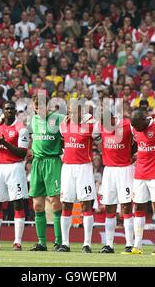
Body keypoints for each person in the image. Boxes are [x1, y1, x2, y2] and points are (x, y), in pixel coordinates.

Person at [0, 101, 29, 251]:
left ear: (15, 111)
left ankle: (17, 242)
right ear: (3, 110)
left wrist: (5, 143)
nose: (8, 111)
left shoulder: (21, 128)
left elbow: (22, 153)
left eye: (11, 109)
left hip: (15, 167)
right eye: (6, 108)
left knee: (17, 203)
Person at [57, 99, 96, 253]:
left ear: (82, 112)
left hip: (84, 168)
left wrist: (91, 118)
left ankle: (87, 244)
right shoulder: (63, 125)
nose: (72, 114)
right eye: (70, 111)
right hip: (67, 168)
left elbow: (102, 132)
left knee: (86, 204)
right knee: (66, 204)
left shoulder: (91, 126)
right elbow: (61, 143)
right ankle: (65, 243)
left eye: (76, 111)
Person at [95, 108, 134, 254]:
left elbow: (139, 135)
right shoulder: (99, 126)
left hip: (125, 169)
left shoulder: (126, 125)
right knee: (109, 208)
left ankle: (130, 244)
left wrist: (133, 153)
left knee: (126, 207)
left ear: (113, 119)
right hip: (109, 170)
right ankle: (109, 244)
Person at [28, 92, 64, 252]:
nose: (39, 110)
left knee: (55, 202)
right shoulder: (33, 120)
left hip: (53, 162)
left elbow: (73, 124)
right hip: (37, 163)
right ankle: (41, 242)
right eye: (37, 107)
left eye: (42, 106)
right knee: (37, 205)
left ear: (48, 106)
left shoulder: (58, 118)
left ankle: (59, 241)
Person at [130, 109, 155, 255]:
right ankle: (137, 245)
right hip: (139, 174)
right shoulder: (135, 128)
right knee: (138, 207)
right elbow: (135, 145)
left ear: (143, 120)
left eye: (137, 125)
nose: (136, 128)